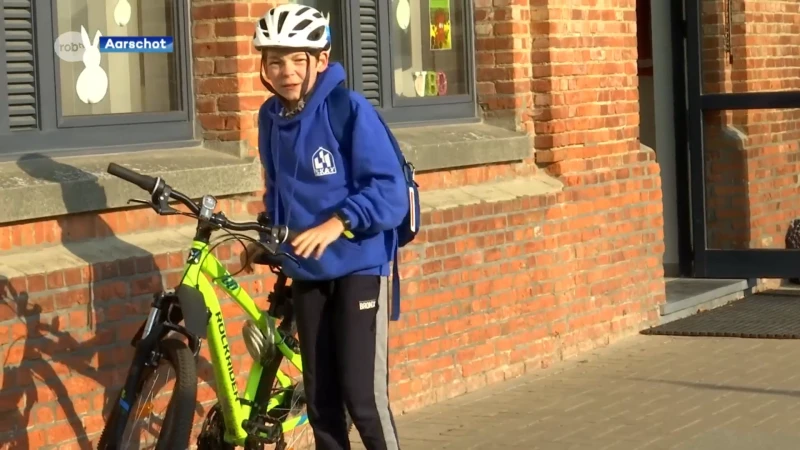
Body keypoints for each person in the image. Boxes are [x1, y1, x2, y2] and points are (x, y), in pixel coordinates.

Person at [240, 4, 407, 450]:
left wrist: (340, 222)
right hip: (308, 269)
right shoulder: (270, 119)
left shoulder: (348, 109)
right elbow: (279, 191)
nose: (287, 72)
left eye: (298, 59)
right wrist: (268, 238)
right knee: (320, 401)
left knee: (362, 398)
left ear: (321, 58)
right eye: (276, 60)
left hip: (360, 266)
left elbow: (389, 191)